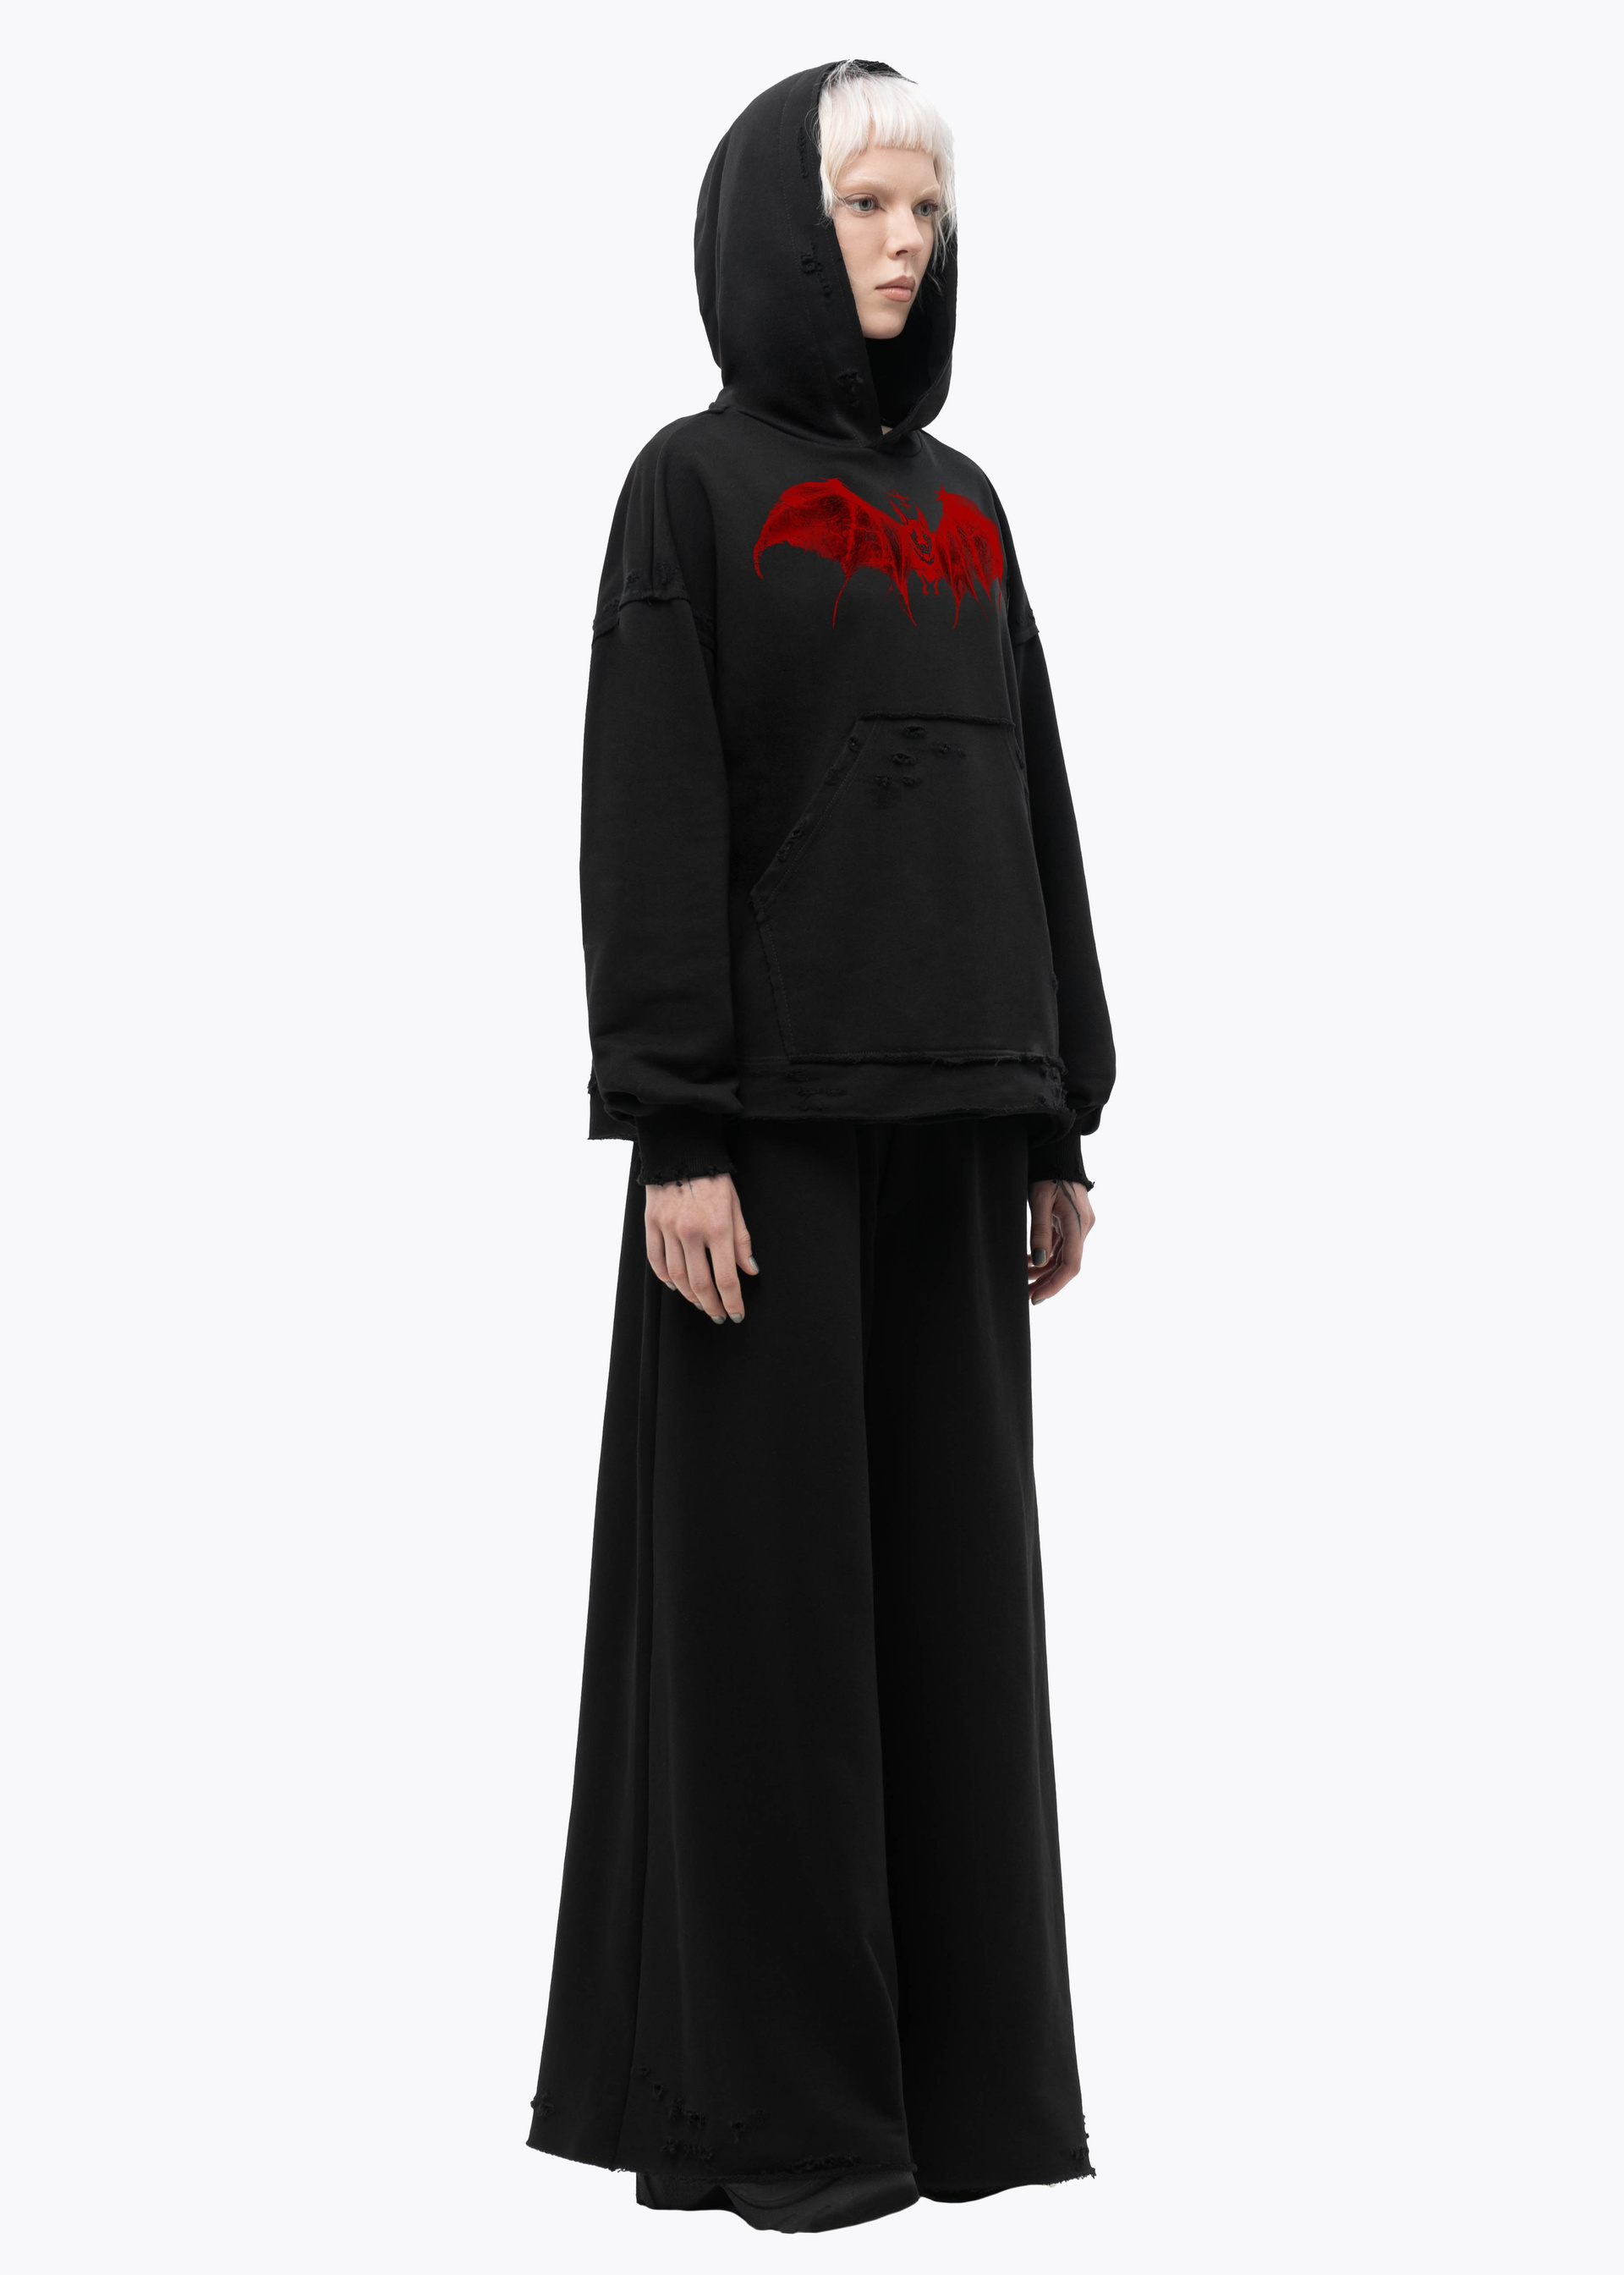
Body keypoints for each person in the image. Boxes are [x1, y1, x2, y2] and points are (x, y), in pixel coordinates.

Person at [525, 59, 1116, 2233]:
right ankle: (779, 2121)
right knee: (766, 1643)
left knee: (956, 1637)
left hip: (960, 1127)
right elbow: (650, 807)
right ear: (783, 224)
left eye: (925, 207)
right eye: (866, 201)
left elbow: (1030, 800)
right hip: (761, 1150)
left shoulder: (969, 507)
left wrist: (1058, 1104)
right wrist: (675, 1122)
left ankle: (961, 2109)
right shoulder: (685, 491)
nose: (901, 239)